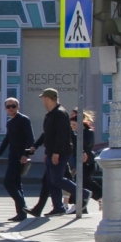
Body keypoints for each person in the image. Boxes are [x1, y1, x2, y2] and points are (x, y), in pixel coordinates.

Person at [25, 88, 74, 217]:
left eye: (43, 99)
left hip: (60, 153)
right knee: (48, 181)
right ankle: (52, 207)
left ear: (47, 98)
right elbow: (47, 135)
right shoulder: (51, 114)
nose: (42, 101)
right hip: (52, 153)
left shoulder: (60, 113)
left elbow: (61, 135)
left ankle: (83, 193)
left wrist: (56, 152)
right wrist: (36, 146)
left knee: (56, 179)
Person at [0, 97, 35, 221]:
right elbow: (7, 140)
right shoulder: (10, 122)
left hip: (21, 157)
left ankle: (23, 207)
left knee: (8, 182)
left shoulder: (24, 120)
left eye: (13, 106)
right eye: (8, 106)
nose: (11, 109)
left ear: (18, 107)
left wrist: (26, 155)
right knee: (16, 184)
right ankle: (21, 213)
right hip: (13, 155)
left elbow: (31, 139)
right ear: (5, 108)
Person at [66, 110, 98, 214]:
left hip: (88, 162)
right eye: (72, 125)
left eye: (75, 125)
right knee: (82, 184)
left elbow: (87, 145)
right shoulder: (75, 134)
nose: (73, 127)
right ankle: (81, 208)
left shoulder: (88, 132)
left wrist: (78, 136)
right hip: (80, 162)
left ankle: (80, 206)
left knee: (81, 184)